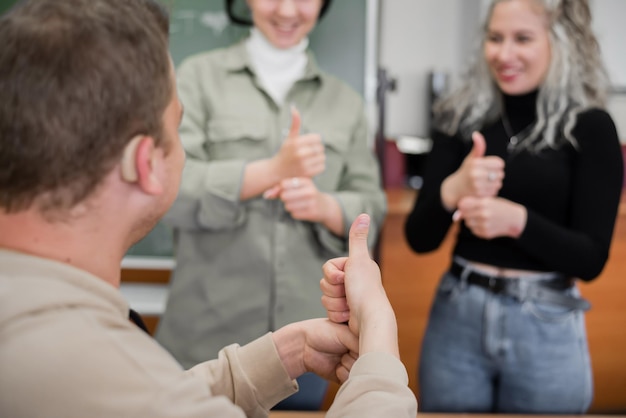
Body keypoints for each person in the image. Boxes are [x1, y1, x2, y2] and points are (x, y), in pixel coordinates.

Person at [0, 0, 417, 417]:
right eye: (177, 132)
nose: (288, 7)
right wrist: (379, 332)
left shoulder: (54, 341)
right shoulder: (199, 77)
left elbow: (162, 396)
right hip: (206, 324)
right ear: (147, 163)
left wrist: (285, 353)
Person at [154, 0, 386, 408]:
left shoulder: (345, 102)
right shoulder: (196, 79)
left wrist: (322, 205)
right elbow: (165, 191)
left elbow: (373, 205)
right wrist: (272, 170)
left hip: (308, 345)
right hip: (205, 336)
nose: (287, 9)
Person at [404, 0, 623, 413]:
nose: (504, 55)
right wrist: (453, 189)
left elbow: (591, 259)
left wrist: (517, 221)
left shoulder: (591, 127)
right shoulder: (461, 117)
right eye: (495, 38)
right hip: (458, 314)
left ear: (561, 44)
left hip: (547, 320)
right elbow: (418, 239)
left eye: (523, 39)